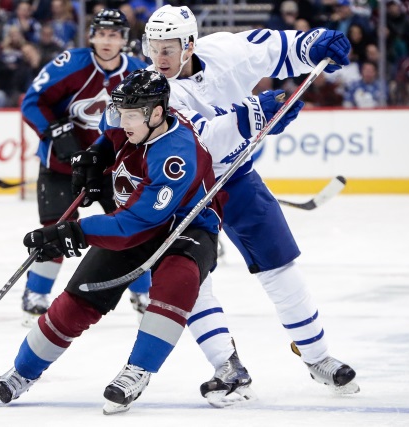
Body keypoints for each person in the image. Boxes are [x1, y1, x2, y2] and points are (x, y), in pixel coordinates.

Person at [0, 69, 301, 414]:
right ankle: (22, 372)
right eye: (121, 112)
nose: (123, 121)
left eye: (132, 116)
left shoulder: (176, 155)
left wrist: (74, 232)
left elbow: (137, 224)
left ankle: (137, 370)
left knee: (176, 283)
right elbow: (108, 138)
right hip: (137, 217)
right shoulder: (128, 118)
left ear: (157, 113)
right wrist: (95, 159)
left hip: (187, 228)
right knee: (80, 296)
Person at [141, 5, 359, 407]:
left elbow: (276, 47)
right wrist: (257, 114)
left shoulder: (225, 50)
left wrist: (314, 43)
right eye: (153, 48)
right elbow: (199, 141)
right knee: (190, 278)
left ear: (189, 44)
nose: (159, 58)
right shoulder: (154, 89)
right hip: (184, 189)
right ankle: (228, 366)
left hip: (237, 179)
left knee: (280, 264)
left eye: (168, 48)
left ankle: (317, 356)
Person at [19, 9, 149, 327]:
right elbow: (32, 102)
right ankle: (35, 296)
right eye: (102, 33)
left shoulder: (136, 71)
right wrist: (54, 131)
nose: (107, 40)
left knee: (132, 229)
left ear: (124, 39)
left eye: (114, 34)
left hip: (111, 168)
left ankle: (143, 293)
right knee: (56, 230)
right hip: (62, 167)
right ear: (91, 36)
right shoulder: (71, 64)